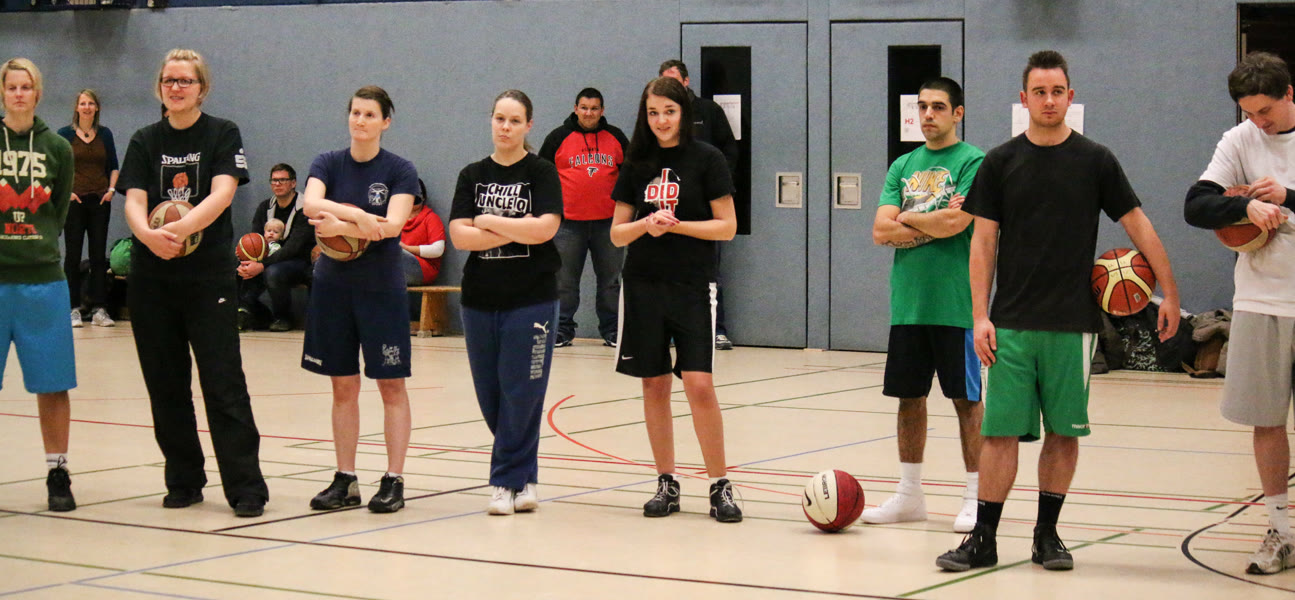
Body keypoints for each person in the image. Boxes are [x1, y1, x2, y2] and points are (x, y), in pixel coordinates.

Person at [936, 50, 1180, 572]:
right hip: (1011, 322)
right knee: (998, 433)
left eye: (1057, 92)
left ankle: (1047, 536)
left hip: (1073, 323)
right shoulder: (1000, 162)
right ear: (1023, 100)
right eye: (1039, 92)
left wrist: (1171, 292)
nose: (1049, 100)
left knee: (1064, 433)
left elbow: (1137, 223)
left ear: (1070, 97)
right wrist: (980, 315)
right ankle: (983, 538)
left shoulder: (1096, 160)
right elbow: (983, 243)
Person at [118, 49, 269, 518]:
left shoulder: (222, 133)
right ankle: (183, 479)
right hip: (153, 279)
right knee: (165, 384)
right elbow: (134, 200)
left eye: (185, 80)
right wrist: (148, 236)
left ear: (202, 88)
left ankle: (245, 486)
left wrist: (178, 231)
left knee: (223, 382)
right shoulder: (145, 139)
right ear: (159, 87)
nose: (176, 87)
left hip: (208, 280)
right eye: (169, 80)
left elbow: (222, 193)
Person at [610, 76, 741, 523]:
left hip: (692, 285)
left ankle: (720, 484)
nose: (661, 120)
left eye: (669, 111)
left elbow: (727, 226)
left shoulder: (708, 158)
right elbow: (616, 234)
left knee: (699, 383)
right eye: (653, 113)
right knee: (654, 384)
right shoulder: (636, 162)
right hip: (643, 284)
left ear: (683, 113)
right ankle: (666, 482)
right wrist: (646, 225)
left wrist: (678, 225)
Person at [1184, 51, 1295, 575]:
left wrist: (1288, 197)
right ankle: (1280, 530)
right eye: (1249, 112)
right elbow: (1195, 205)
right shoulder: (1238, 140)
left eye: (1265, 111)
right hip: (1259, 301)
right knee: (1265, 422)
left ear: (1289, 94)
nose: (1258, 122)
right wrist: (1243, 206)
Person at [865, 77, 984, 533]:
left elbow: (958, 222)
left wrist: (907, 217)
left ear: (958, 113)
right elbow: (880, 231)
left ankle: (975, 497)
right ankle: (909, 495)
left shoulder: (974, 162)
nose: (928, 114)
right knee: (908, 398)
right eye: (922, 106)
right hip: (909, 304)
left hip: (957, 304)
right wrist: (930, 220)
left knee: (967, 401)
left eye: (938, 107)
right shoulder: (903, 165)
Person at [302, 85, 417, 514]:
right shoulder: (327, 162)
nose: (360, 121)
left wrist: (342, 223)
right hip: (332, 287)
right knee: (342, 385)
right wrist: (357, 217)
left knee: (391, 384)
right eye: (355, 113)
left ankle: (393, 479)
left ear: (385, 121)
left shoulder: (400, 170)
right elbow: (310, 204)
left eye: (370, 114)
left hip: (381, 288)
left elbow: (392, 226)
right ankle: (345, 478)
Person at [449, 89, 562, 515]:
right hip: (479, 300)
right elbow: (460, 236)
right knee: (492, 396)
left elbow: (545, 229)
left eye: (515, 121)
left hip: (532, 300)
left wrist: (487, 221)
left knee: (523, 393)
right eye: (500, 118)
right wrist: (517, 226)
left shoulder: (541, 172)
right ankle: (525, 475)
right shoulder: (472, 174)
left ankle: (504, 481)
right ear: (491, 120)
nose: (506, 127)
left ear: (528, 125)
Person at [1, 58, 77, 512]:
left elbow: (58, 213)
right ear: (3, 93)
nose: (18, 94)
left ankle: (58, 471)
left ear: (38, 93)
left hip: (43, 282)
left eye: (26, 87)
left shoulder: (57, 148)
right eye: (11, 87)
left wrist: (36, 243)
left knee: (53, 384)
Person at [538, 87, 628, 347]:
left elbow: (631, 175)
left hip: (609, 224)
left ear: (602, 110)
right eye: (584, 108)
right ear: (575, 108)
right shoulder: (558, 137)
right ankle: (561, 330)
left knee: (611, 282)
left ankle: (613, 330)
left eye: (594, 108)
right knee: (564, 281)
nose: (589, 113)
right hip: (568, 225)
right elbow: (542, 176)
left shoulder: (616, 137)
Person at [659, 60, 739, 350]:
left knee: (709, 271)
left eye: (675, 80)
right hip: (667, 206)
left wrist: (713, 186)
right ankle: (669, 331)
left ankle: (716, 329)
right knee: (667, 271)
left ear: (686, 81)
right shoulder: (656, 117)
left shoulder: (708, 111)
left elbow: (729, 150)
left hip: (704, 208)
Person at [56, 89, 118, 328]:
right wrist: (67, 192)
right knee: (72, 255)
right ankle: (72, 309)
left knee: (98, 256)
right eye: (83, 103)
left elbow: (113, 165)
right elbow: (57, 167)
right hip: (74, 202)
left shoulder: (105, 134)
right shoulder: (64, 135)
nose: (87, 107)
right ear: (77, 107)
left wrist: (111, 190)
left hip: (99, 201)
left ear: (97, 108)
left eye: (91, 103)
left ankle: (99, 309)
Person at [237, 163, 313, 332]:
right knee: (239, 271)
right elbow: (255, 238)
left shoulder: (305, 209)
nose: (277, 184)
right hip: (268, 259)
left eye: (282, 180)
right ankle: (257, 315)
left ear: (293, 183)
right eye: (274, 180)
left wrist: (262, 265)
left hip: (299, 262)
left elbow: (293, 247)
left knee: (273, 272)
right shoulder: (265, 207)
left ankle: (283, 317)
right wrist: (248, 261)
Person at [400, 178, 445, 286]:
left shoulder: (430, 218)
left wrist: (407, 249)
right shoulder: (396, 219)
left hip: (424, 270)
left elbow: (438, 250)